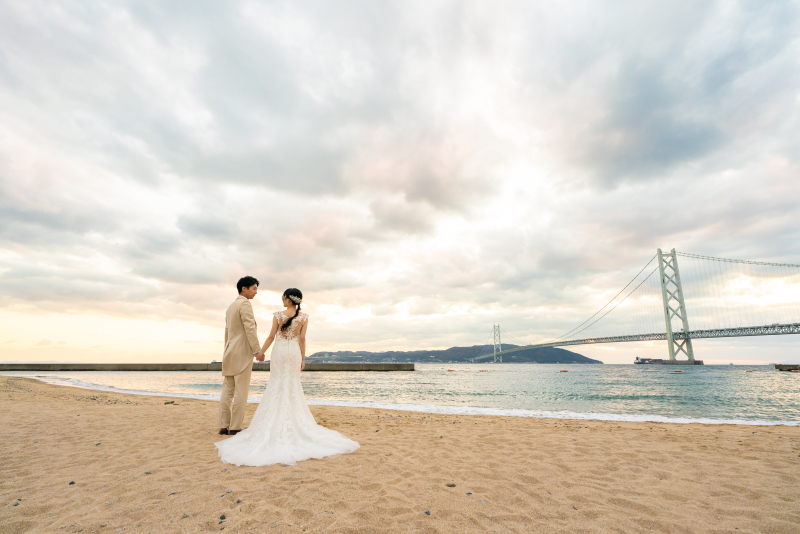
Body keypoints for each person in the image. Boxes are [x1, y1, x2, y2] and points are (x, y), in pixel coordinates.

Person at [215, 288, 360, 466]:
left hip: (279, 353)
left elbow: (271, 337)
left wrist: (260, 353)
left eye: (283, 297)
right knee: (293, 385)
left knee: (276, 384)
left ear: (289, 299)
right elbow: (302, 339)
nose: (282, 300)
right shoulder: (304, 317)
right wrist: (303, 359)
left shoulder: (277, 315)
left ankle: (269, 422)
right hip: (294, 355)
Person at [218, 276, 262, 436]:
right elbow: (250, 328)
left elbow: (227, 333)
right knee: (241, 392)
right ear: (244, 288)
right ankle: (235, 427)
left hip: (229, 352)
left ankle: (223, 426)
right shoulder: (245, 304)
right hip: (242, 354)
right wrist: (257, 350)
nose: (256, 292)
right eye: (254, 288)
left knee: (227, 392)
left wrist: (226, 351)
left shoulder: (231, 307)